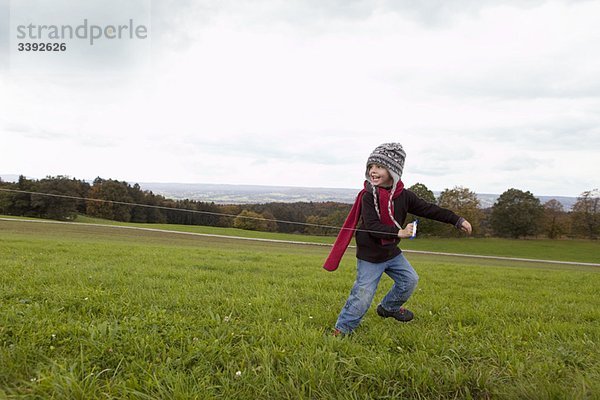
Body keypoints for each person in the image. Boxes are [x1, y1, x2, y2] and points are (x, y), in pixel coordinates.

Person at [323, 143, 472, 335]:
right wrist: (399, 232)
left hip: (392, 253)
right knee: (363, 294)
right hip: (370, 256)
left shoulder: (405, 196)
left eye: (379, 167)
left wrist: (457, 220)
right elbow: (372, 226)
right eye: (371, 166)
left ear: (393, 171)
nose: (373, 171)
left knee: (409, 280)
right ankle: (343, 329)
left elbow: (430, 209)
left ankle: (388, 308)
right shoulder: (368, 196)